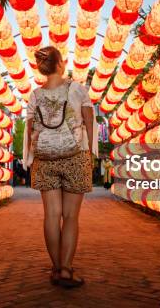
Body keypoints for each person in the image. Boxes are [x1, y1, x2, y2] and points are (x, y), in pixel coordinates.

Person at [24, 46, 95, 288]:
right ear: (60, 64)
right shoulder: (77, 89)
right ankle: (66, 269)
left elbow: (30, 129)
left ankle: (55, 268)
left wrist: (30, 158)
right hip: (75, 156)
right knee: (71, 216)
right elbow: (89, 121)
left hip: (44, 158)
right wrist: (91, 154)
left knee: (51, 216)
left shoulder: (35, 95)